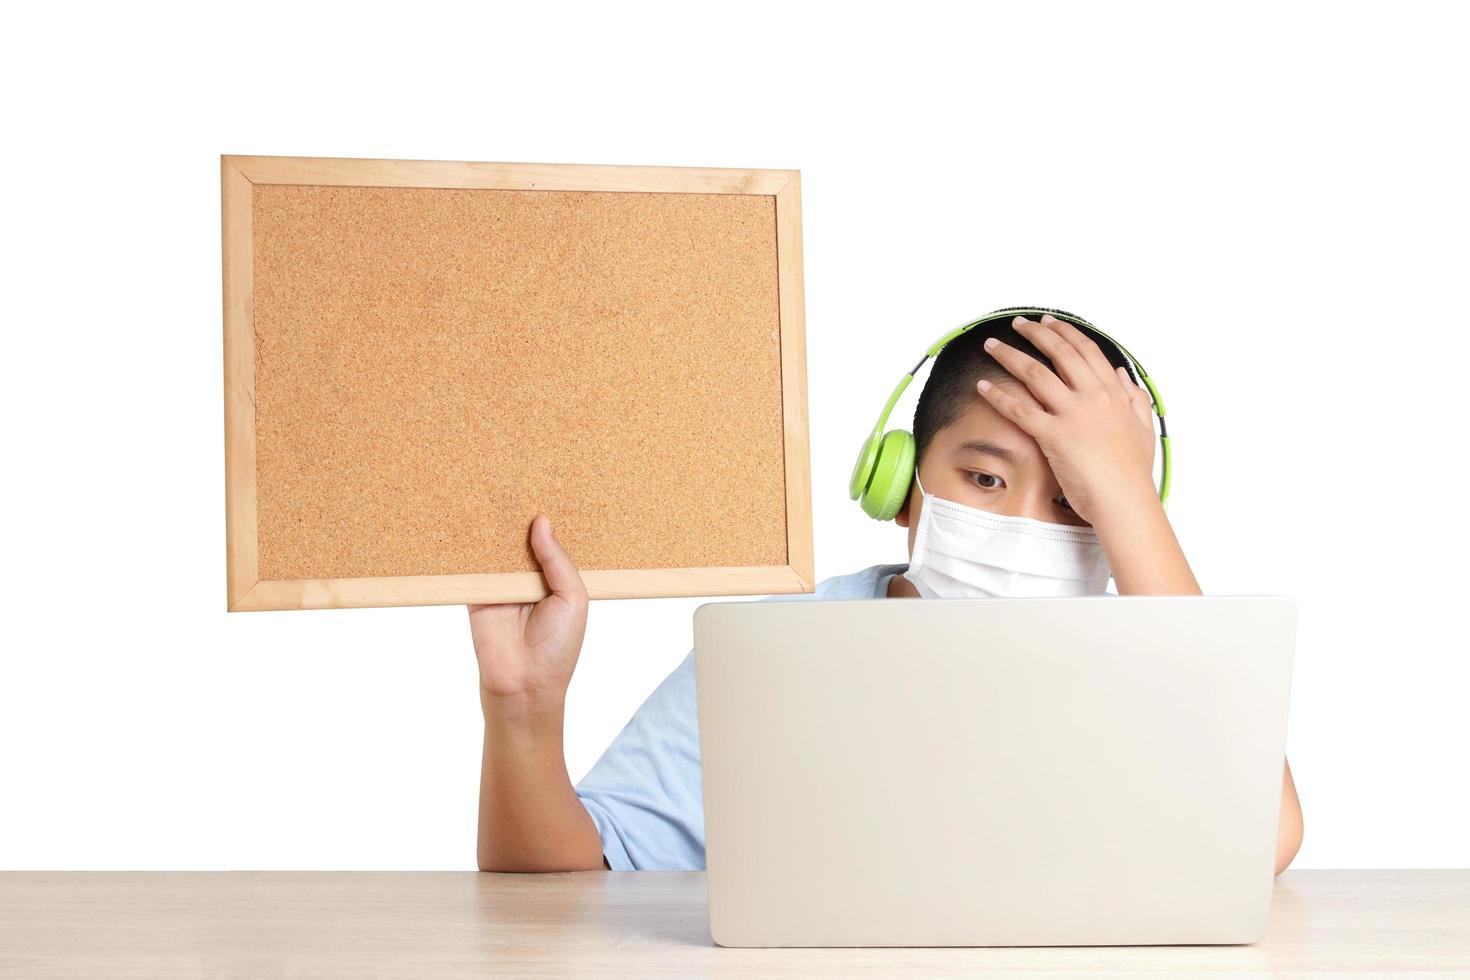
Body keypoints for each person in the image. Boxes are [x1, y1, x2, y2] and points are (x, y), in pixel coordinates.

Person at [468, 311, 1304, 875]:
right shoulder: (782, 653)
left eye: (1075, 500)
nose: (1021, 525)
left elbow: (1258, 841)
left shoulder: (1159, 672)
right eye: (983, 477)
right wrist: (523, 708)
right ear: (898, 486)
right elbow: (564, 890)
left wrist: (1126, 494)